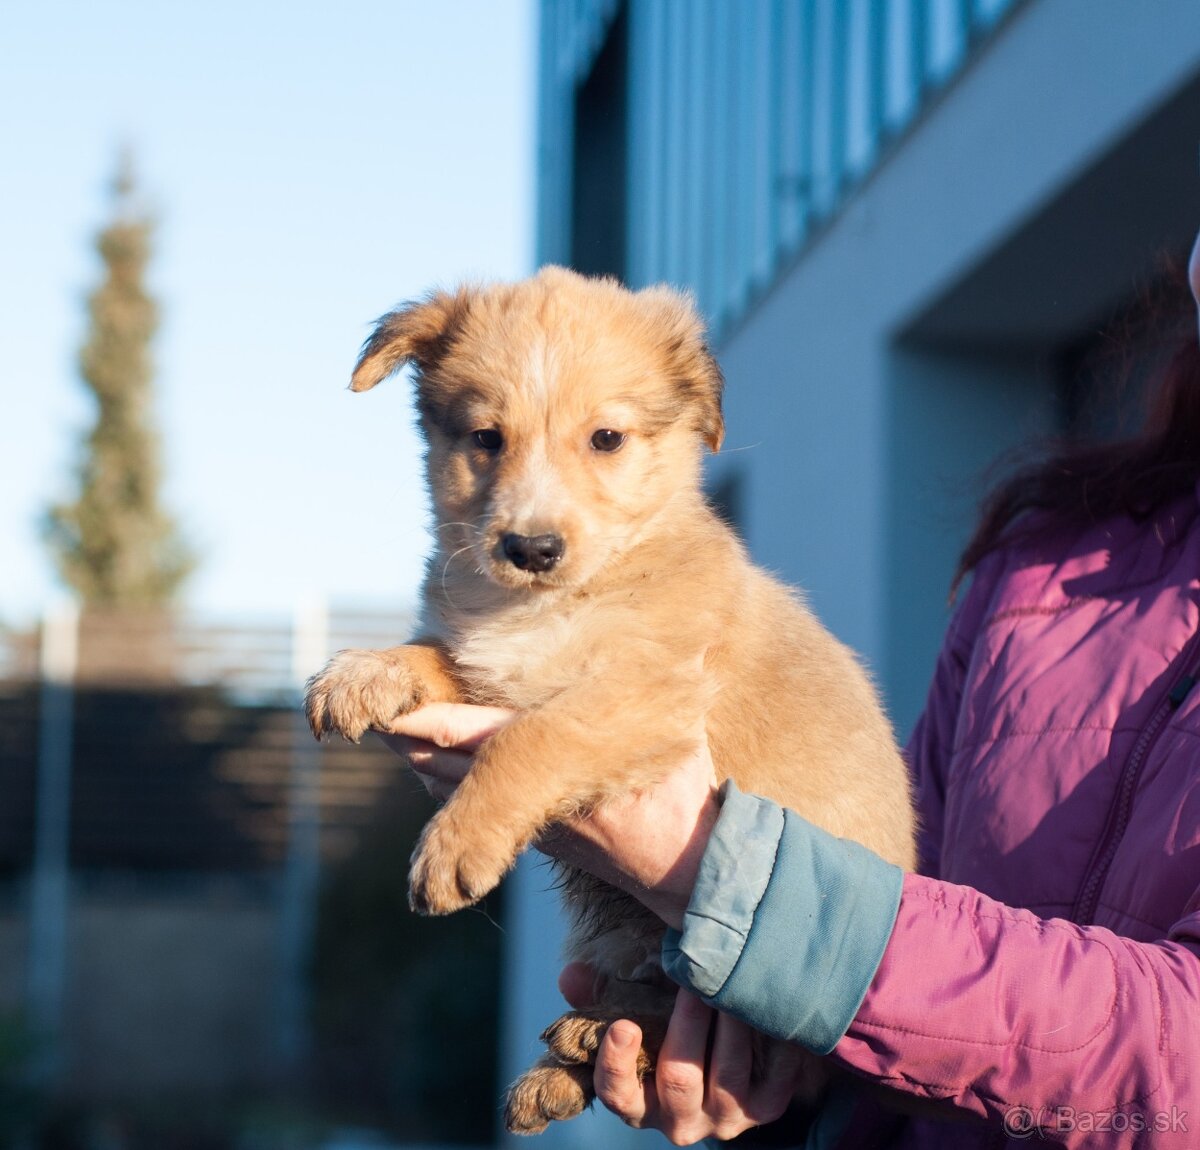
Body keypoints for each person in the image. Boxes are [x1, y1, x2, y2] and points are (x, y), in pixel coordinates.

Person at [382, 241, 1200, 1149]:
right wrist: (782, 1081)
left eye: (605, 439)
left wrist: (757, 912)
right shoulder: (1047, 556)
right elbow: (916, 856)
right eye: (489, 439)